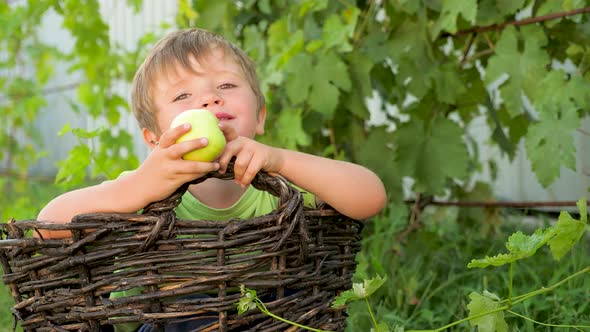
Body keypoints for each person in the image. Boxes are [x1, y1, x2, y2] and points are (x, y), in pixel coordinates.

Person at [38, 28, 387, 331]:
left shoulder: (280, 187)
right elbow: (46, 227)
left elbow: (370, 197)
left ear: (260, 116)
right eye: (182, 96)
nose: (209, 98)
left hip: (269, 317)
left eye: (226, 85)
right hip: (170, 320)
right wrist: (138, 186)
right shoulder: (143, 188)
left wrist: (281, 160)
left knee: (293, 307)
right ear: (154, 139)